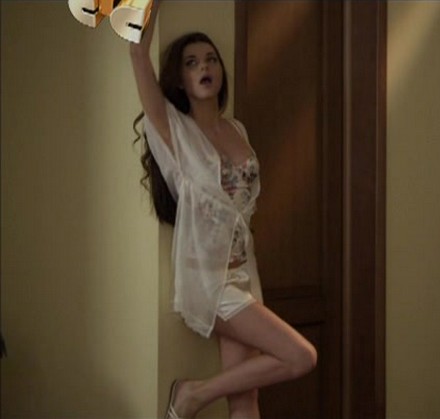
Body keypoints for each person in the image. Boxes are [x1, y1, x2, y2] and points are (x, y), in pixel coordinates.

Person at [130, 2, 317, 418]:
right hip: (209, 281)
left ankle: (194, 395)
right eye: (192, 62)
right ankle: (192, 395)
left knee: (246, 398)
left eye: (211, 59)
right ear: (181, 79)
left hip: (245, 273)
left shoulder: (237, 129)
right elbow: (137, 53)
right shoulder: (174, 131)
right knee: (301, 356)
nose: (204, 66)